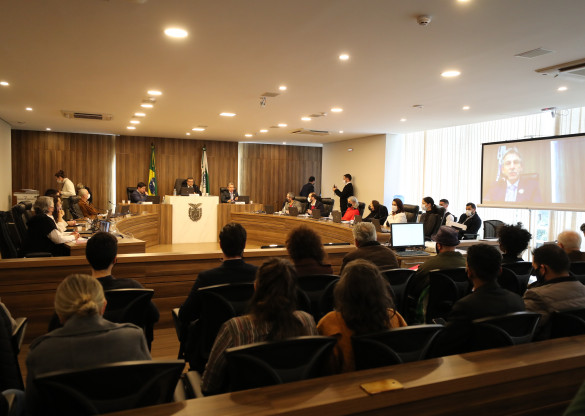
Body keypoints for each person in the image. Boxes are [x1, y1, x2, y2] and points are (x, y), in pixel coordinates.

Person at [25, 274, 150, 415]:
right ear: (103, 307)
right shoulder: (133, 338)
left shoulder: (40, 352)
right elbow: (149, 394)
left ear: (59, 313)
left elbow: (32, 409)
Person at [201, 258, 317, 395]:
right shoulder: (307, 321)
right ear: (294, 290)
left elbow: (209, 386)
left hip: (247, 405)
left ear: (256, 287)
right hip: (299, 400)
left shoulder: (235, 328)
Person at [317, 259, 407, 373]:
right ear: (381, 288)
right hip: (390, 378)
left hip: (346, 381)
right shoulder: (394, 317)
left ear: (342, 289)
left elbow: (323, 367)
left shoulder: (330, 322)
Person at [437, 244, 525, 355]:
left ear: (469, 271)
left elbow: (445, 346)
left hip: (473, 362)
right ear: (500, 271)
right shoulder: (518, 301)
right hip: (510, 360)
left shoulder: (464, 306)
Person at [86, 232, 160, 346]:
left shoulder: (79, 292)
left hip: (91, 352)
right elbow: (154, 316)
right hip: (130, 350)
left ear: (88, 259)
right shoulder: (133, 287)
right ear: (115, 260)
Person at [179, 223, 257, 325]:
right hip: (249, 333)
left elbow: (185, 315)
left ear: (220, 244)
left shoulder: (206, 278)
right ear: (245, 244)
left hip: (214, 334)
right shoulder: (258, 274)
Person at [406, 226, 466, 324]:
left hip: (429, 320)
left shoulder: (427, 267)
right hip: (457, 318)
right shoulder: (467, 266)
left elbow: (413, 290)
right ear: (455, 245)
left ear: (438, 246)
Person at [524, 244, 585, 339]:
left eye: (534, 268)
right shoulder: (582, 288)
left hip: (547, 346)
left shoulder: (536, 295)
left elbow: (524, 330)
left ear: (543, 269)